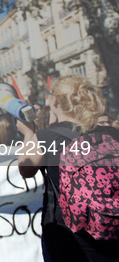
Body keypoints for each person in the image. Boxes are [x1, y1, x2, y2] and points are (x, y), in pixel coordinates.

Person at [17, 75, 117, 262]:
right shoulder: (112, 134)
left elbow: (25, 169)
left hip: (69, 237)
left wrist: (28, 133)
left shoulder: (46, 137)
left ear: (54, 101)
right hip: (113, 230)